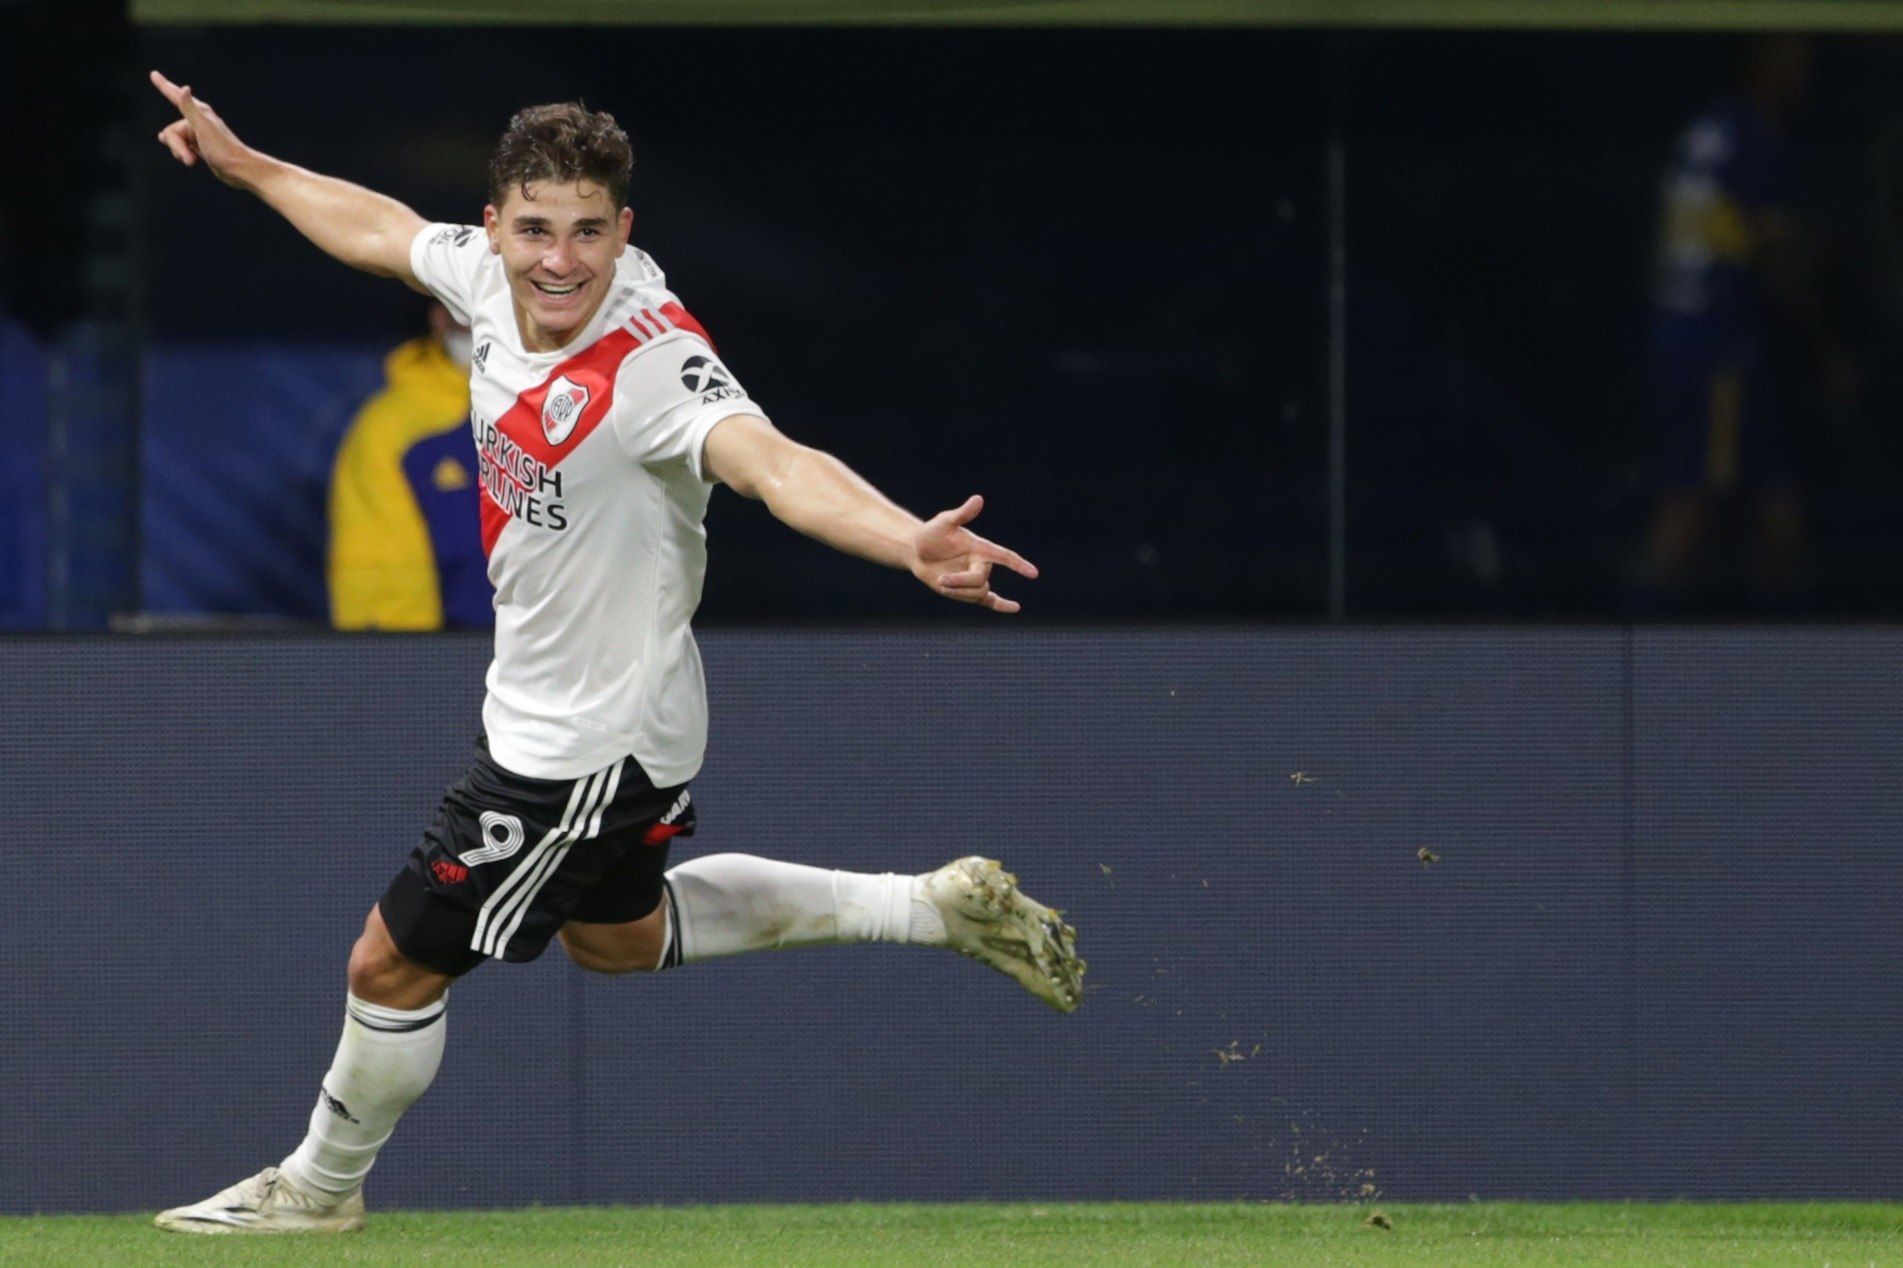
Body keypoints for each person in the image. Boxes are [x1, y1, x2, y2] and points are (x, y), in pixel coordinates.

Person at [146, 70, 1083, 1235]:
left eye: (588, 232)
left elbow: (772, 460)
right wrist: (249, 168)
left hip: (586, 740)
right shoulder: (486, 279)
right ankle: (927, 906)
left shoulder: (649, 360)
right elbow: (383, 231)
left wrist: (906, 540)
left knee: (387, 964)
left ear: (623, 233)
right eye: (535, 227)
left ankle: (319, 1188)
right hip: (589, 713)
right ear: (494, 226)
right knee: (616, 937)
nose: (559, 259)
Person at [328, 301, 494, 631]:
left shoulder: (587, 402)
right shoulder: (391, 427)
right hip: (462, 661)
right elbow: (386, 585)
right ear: (438, 316)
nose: (483, 322)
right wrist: (411, 672)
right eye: (465, 306)